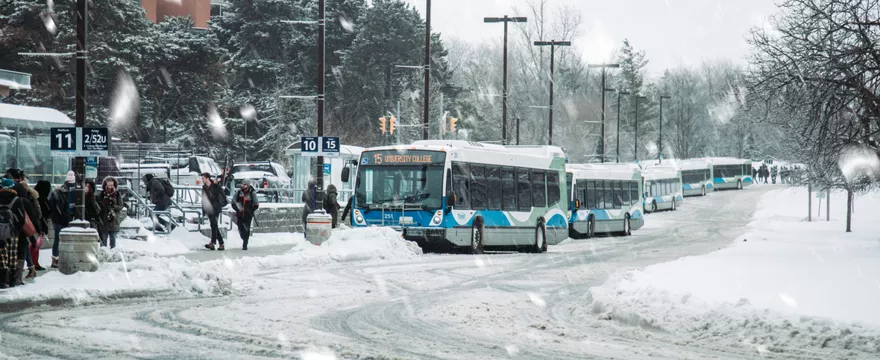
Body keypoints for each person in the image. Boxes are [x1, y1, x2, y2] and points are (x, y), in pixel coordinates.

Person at [7, 169, 42, 281]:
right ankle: (17, 278)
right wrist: (38, 229)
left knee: (11, 252)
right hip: (21, 230)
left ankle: (8, 276)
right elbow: (33, 216)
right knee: (20, 252)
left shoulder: (9, 199)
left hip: (8, 230)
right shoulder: (24, 200)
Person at [0, 178, 26, 288]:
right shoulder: (17, 200)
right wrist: (16, 229)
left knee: (2, 255)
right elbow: (22, 218)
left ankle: (2, 280)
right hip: (13, 232)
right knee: (12, 255)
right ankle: (12, 280)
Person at [48, 171, 76, 268]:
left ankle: (56, 259)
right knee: (60, 239)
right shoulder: (64, 192)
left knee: (58, 239)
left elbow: (51, 205)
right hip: (63, 219)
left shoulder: (57, 191)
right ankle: (57, 258)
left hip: (60, 219)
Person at [232, 180, 259, 250]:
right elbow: (233, 202)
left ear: (248, 185)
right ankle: (243, 237)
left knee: (246, 228)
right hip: (240, 214)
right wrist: (238, 209)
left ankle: (245, 243)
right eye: (242, 184)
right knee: (240, 227)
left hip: (248, 215)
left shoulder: (252, 193)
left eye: (245, 185)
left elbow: (256, 204)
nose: (243, 186)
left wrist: (249, 210)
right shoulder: (238, 192)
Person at [201, 172, 226, 250]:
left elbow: (222, 196)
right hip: (209, 209)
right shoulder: (204, 188)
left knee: (214, 224)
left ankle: (213, 243)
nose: (202, 180)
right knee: (214, 225)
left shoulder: (215, 186)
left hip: (216, 208)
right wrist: (204, 210)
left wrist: (219, 204)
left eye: (203, 178)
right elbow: (204, 199)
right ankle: (221, 243)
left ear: (208, 178)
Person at [98, 177, 123, 249]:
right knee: (103, 241)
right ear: (105, 185)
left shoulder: (117, 194)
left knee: (113, 241)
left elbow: (120, 206)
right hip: (104, 220)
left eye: (112, 185)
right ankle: (103, 254)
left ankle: (113, 255)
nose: (110, 187)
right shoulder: (102, 194)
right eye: (108, 185)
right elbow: (98, 206)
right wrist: (104, 204)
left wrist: (113, 206)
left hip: (113, 220)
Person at [33, 180, 52, 271]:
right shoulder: (40, 200)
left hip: (39, 224)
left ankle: (34, 263)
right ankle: (34, 263)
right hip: (38, 225)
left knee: (35, 245)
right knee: (35, 245)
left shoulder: (38, 198)